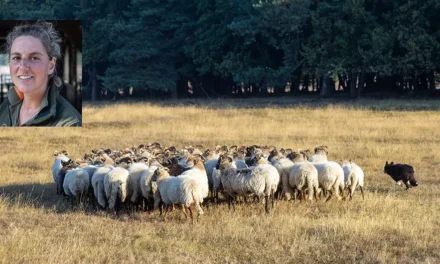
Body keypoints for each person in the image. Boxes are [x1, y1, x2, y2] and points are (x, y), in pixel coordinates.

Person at [0, 21, 81, 127]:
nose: (23, 67)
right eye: (16, 57)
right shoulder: (6, 105)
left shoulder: (69, 123)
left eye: (34, 58)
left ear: (51, 66)